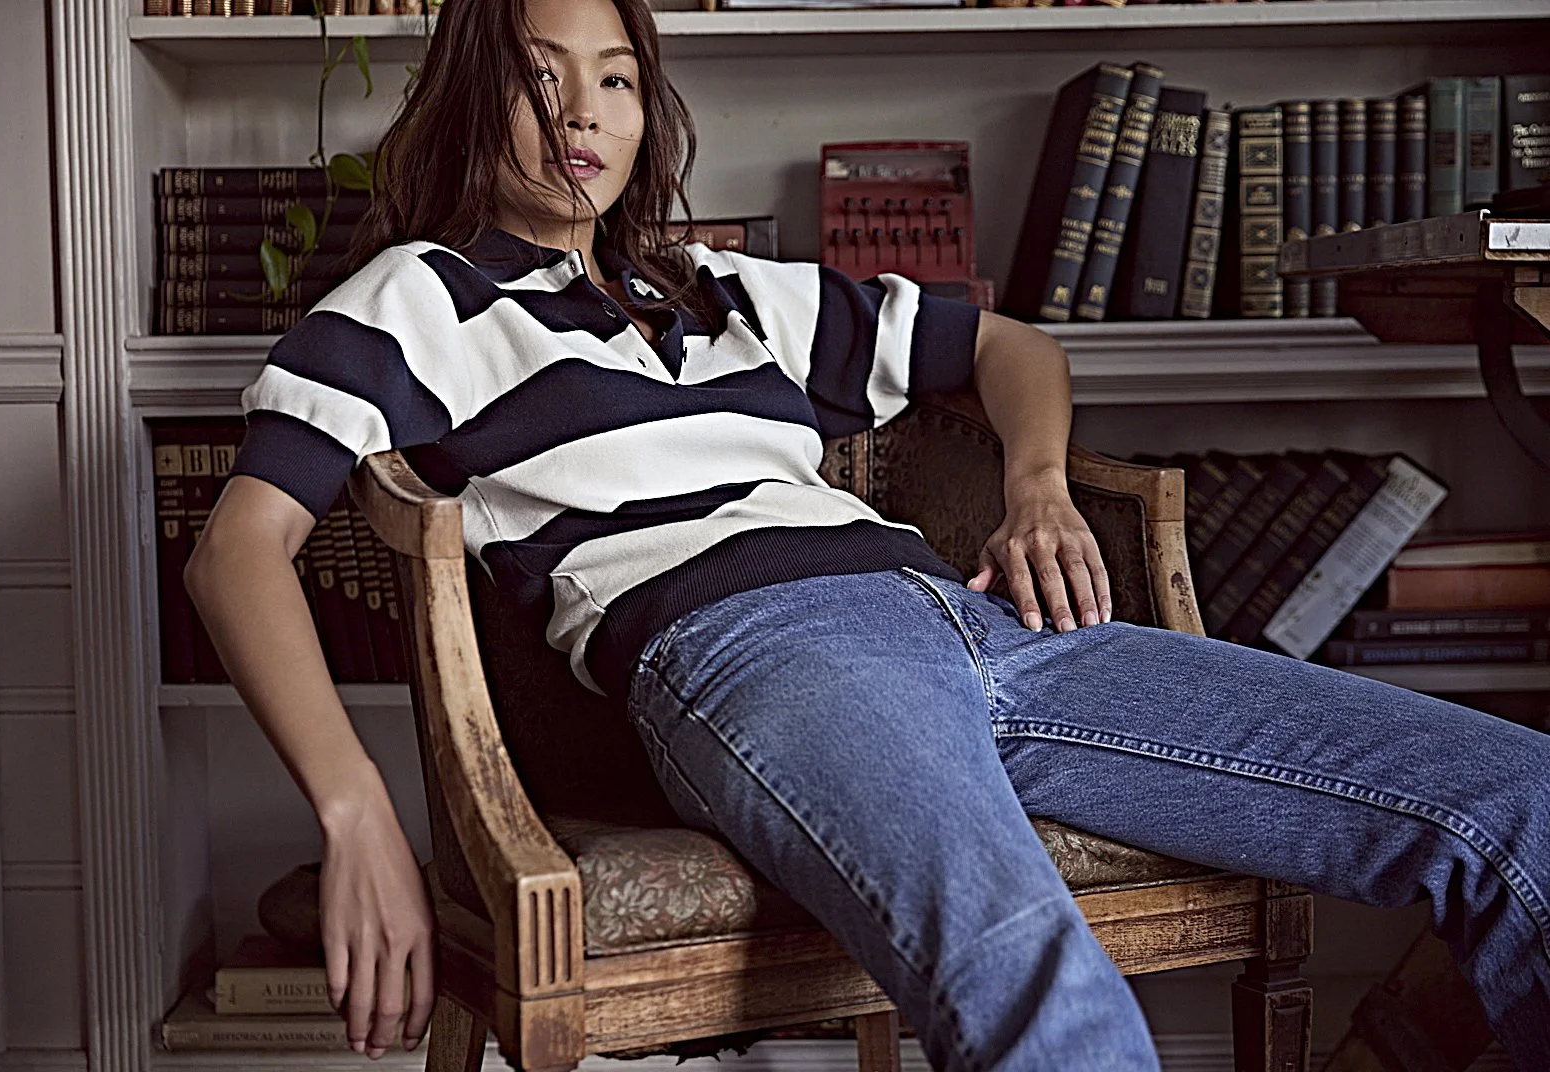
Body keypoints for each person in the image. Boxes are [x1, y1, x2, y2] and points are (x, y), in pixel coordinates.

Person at [184, 0, 1550, 1066]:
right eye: (538, 74)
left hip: (989, 631)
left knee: (1514, 805)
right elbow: (238, 548)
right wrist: (356, 809)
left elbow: (1009, 346)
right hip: (755, 658)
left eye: (610, 76)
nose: (578, 115)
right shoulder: (411, 300)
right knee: (1047, 999)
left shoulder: (719, 291)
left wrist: (1036, 487)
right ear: (473, 90)